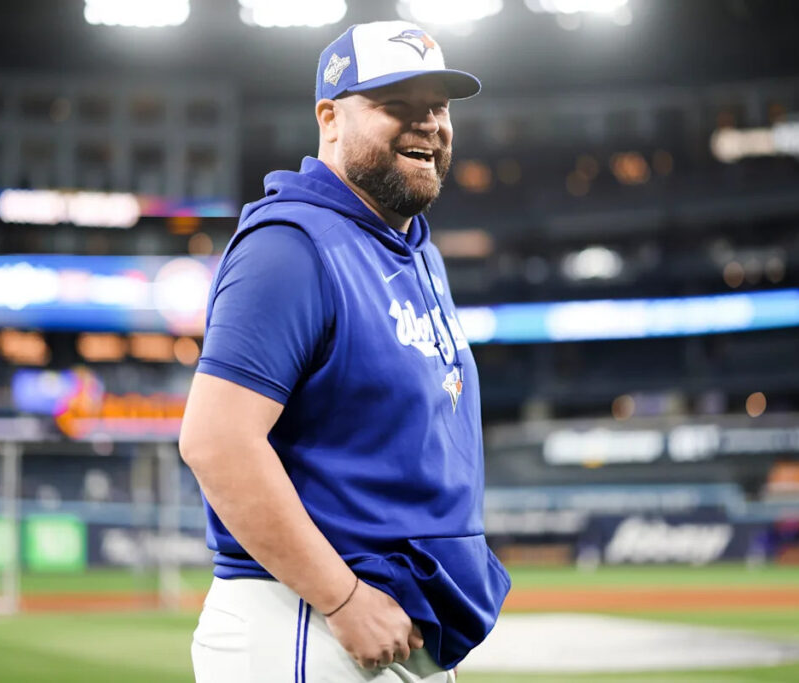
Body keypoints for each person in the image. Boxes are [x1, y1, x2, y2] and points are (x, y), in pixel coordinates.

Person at [179, 20, 510, 682]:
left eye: (438, 108)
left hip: (385, 631)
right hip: (307, 621)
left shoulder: (415, 248)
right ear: (329, 118)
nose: (428, 125)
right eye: (397, 106)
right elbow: (216, 441)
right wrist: (343, 595)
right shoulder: (291, 245)